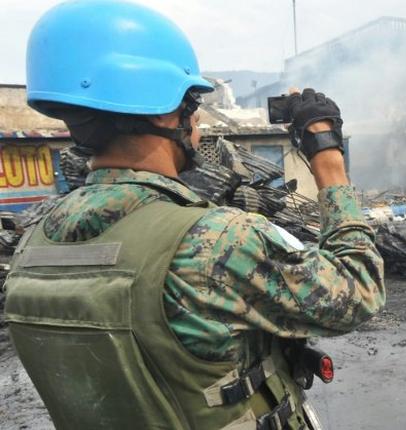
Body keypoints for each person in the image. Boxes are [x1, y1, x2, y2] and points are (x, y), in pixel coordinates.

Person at [3, 1, 384, 429]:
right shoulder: (216, 242)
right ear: (165, 110)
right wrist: (328, 159)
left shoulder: (32, 244)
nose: (198, 121)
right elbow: (358, 291)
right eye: (193, 103)